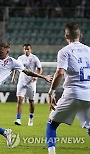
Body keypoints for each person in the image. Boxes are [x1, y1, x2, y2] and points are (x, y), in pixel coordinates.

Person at [46, 22, 90, 154]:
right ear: (80, 35)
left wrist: (51, 92)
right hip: (88, 94)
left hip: (72, 94)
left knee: (51, 123)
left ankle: (52, 152)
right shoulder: (89, 50)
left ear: (66, 35)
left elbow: (60, 72)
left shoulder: (64, 51)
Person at [11, 44, 42, 126]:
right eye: (25, 49)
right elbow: (16, 68)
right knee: (19, 100)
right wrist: (13, 77)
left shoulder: (34, 58)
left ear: (30, 49)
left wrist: (36, 78)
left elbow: (40, 69)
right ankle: (18, 119)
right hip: (22, 81)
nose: (26, 50)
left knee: (31, 101)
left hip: (31, 82)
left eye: (28, 49)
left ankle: (31, 118)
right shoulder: (20, 58)